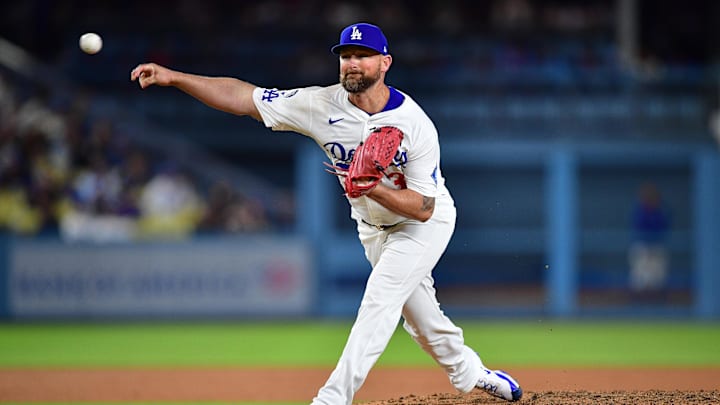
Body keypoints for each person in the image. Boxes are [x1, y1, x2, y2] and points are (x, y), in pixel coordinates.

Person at [131, 22, 522, 405]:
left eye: (363, 56)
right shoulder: (320, 105)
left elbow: (424, 207)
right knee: (421, 322)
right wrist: (174, 77)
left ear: (385, 63)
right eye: (346, 56)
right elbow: (243, 97)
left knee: (380, 301)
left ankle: (332, 399)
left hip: (423, 224)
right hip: (373, 227)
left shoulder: (415, 124)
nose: (353, 63)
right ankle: (471, 374)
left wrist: (373, 187)